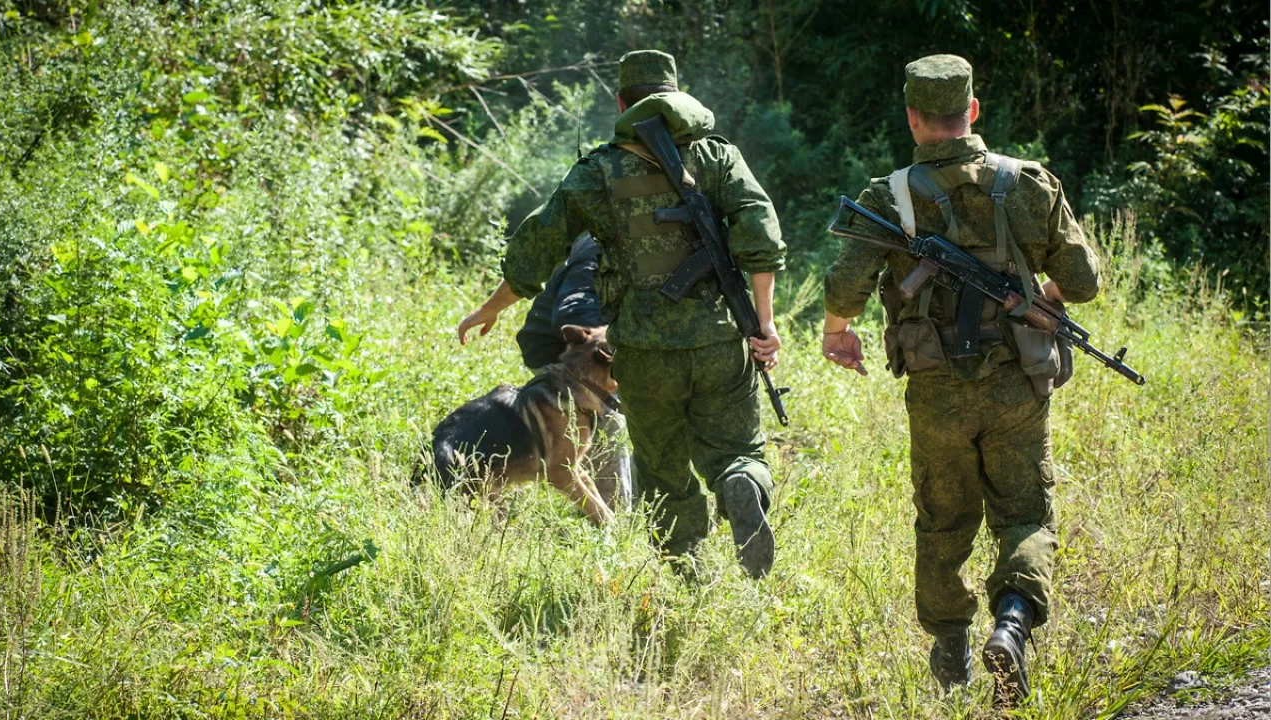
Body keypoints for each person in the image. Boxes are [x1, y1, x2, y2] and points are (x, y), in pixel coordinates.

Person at [820, 54, 1099, 706]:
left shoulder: (889, 195)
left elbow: (844, 286)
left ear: (914, 118)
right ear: (972, 111)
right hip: (1017, 384)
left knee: (942, 522)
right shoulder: (1029, 182)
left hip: (936, 385)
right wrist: (1045, 298)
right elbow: (1083, 282)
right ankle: (1012, 622)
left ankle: (951, 660)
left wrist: (837, 329)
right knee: (1025, 513)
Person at [457, 50, 786, 579]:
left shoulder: (598, 170)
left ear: (620, 101)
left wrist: (490, 308)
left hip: (642, 350)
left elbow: (538, 244)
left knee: (662, 471)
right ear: (677, 94)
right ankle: (738, 481)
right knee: (737, 450)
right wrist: (764, 323)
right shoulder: (719, 157)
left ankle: (691, 580)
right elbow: (761, 236)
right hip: (721, 341)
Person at [513, 232, 634, 508]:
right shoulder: (601, 245)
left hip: (601, 354)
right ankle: (615, 521)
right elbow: (573, 313)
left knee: (639, 419)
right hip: (563, 353)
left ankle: (638, 509)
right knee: (609, 424)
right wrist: (617, 346)